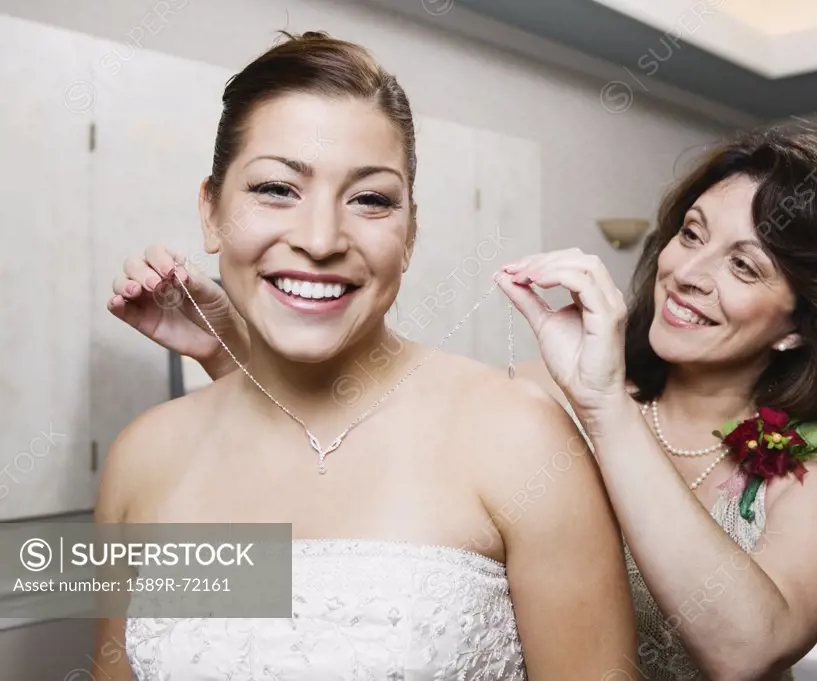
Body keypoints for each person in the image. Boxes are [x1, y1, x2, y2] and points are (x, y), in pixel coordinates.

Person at [111, 113, 817, 680]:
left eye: (744, 267)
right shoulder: (534, 402)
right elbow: (364, 465)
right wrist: (234, 358)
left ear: (801, 324)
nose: (688, 275)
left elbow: (747, 649)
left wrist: (604, 403)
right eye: (691, 234)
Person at [94, 32, 637, 681]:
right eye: (276, 188)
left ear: (408, 234)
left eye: (371, 199)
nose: (320, 239)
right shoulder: (144, 455)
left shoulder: (519, 435)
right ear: (211, 211)